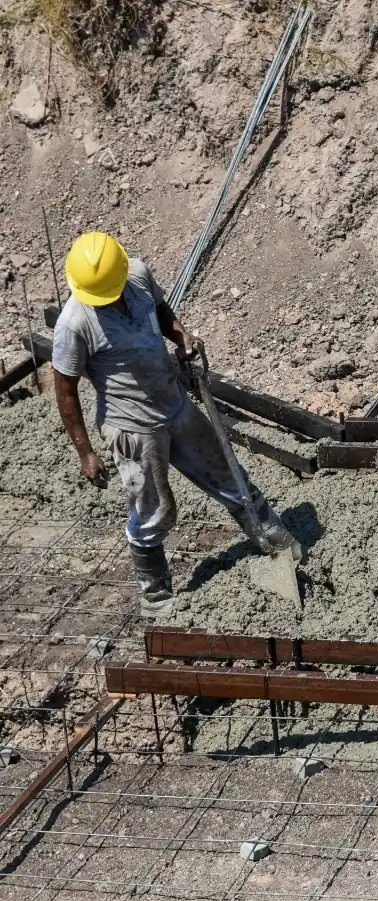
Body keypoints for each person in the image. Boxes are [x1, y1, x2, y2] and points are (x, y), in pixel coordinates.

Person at [50, 232, 301, 618]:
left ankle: (270, 535)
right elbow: (64, 390)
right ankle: (155, 588)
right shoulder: (74, 323)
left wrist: (182, 334)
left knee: (227, 470)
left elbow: (162, 311)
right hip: (132, 427)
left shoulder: (135, 275)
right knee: (155, 509)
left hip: (174, 402)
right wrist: (85, 451)